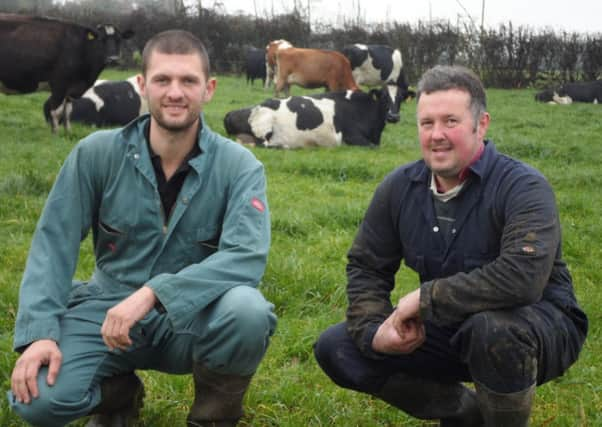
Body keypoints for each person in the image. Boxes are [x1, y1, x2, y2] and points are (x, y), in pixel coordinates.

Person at [7, 29, 277, 427]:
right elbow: (54, 244)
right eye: (162, 80)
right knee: (36, 402)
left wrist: (154, 293)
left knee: (248, 311)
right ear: (141, 85)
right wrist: (39, 334)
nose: (175, 92)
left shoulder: (240, 167)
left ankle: (212, 418)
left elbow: (246, 257)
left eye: (188, 81)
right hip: (106, 311)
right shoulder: (95, 154)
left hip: (191, 318)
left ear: (209, 89)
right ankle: (120, 394)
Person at [314, 65, 588, 426]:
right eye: (427, 124)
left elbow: (522, 278)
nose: (436, 135)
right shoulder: (399, 188)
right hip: (450, 325)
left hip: (538, 324)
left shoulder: (524, 187)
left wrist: (424, 299)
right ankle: (464, 413)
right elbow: (367, 265)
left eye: (450, 122)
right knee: (338, 348)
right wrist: (373, 329)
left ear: (481, 124)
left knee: (491, 330)